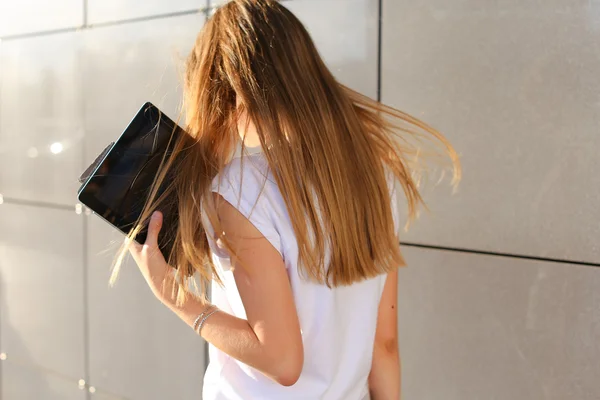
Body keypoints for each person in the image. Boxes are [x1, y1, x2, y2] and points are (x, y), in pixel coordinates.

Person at [116, 0, 460, 399]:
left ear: (224, 89)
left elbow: (281, 361)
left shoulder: (242, 188)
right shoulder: (374, 176)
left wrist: (174, 296)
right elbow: (383, 345)